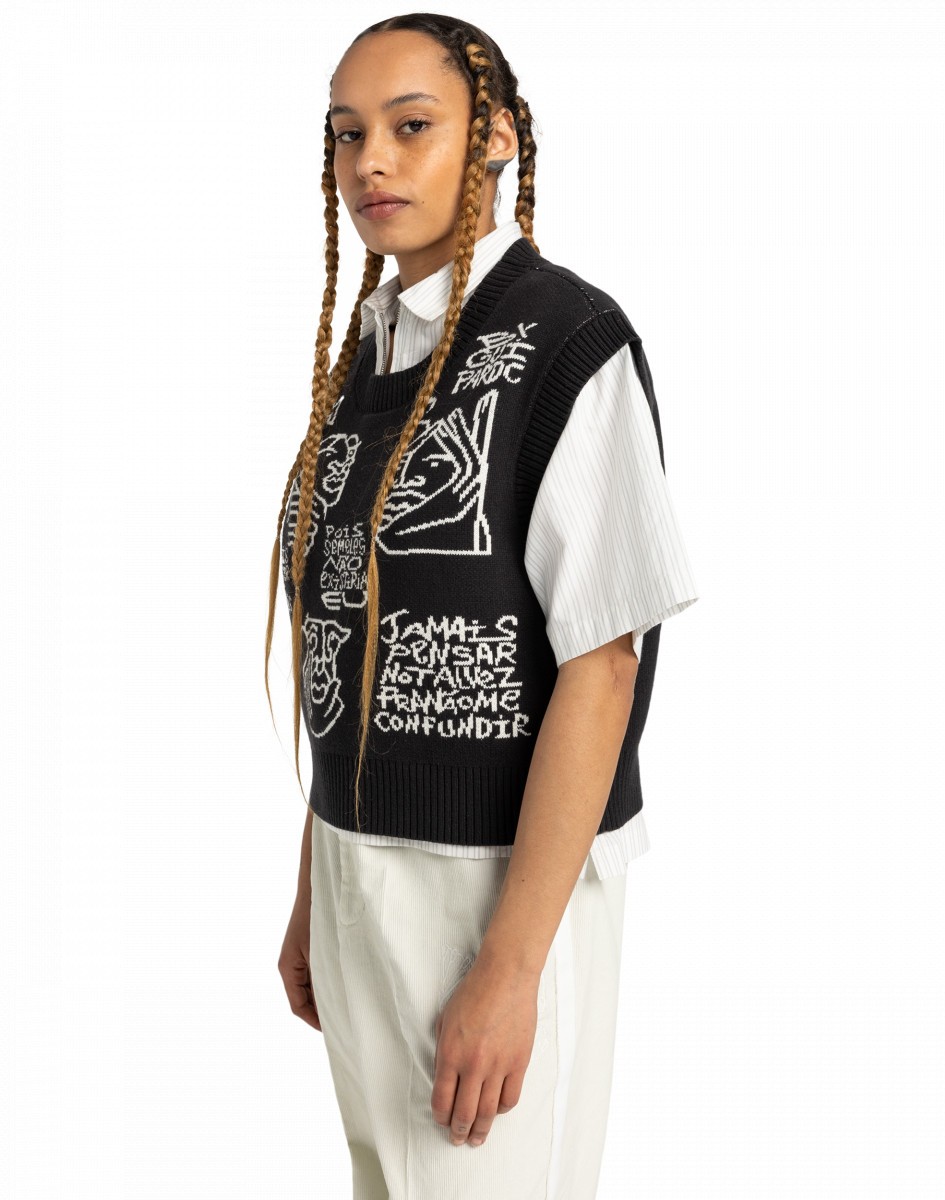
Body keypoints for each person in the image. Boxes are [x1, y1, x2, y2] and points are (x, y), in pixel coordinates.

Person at [268, 13, 700, 1199]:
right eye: (347, 134)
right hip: (358, 873)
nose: (371, 161)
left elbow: (603, 665)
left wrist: (512, 966)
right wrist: (316, 888)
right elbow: (347, 644)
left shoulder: (566, 339)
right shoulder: (367, 359)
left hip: (493, 886)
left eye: (411, 126)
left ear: (497, 135)